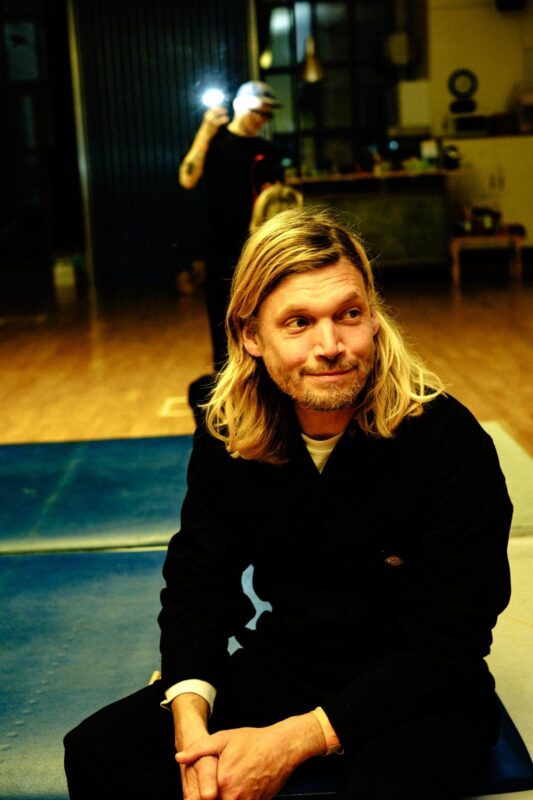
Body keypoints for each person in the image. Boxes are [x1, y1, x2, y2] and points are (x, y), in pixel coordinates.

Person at [64, 207, 512, 800]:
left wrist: (295, 740)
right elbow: (199, 584)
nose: (331, 346)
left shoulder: (449, 442)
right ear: (251, 335)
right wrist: (190, 724)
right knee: (97, 752)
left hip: (420, 684)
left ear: (374, 317)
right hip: (292, 661)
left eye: (349, 315)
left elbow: (450, 641)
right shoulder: (231, 434)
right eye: (298, 322)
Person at [179, 80, 283, 372]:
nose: (261, 118)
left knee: (263, 321)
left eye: (267, 114)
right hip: (222, 250)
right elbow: (187, 178)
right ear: (239, 104)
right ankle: (228, 389)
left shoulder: (268, 151)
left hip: (260, 251)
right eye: (257, 111)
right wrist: (206, 130)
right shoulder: (214, 142)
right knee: (222, 324)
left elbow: (275, 200)